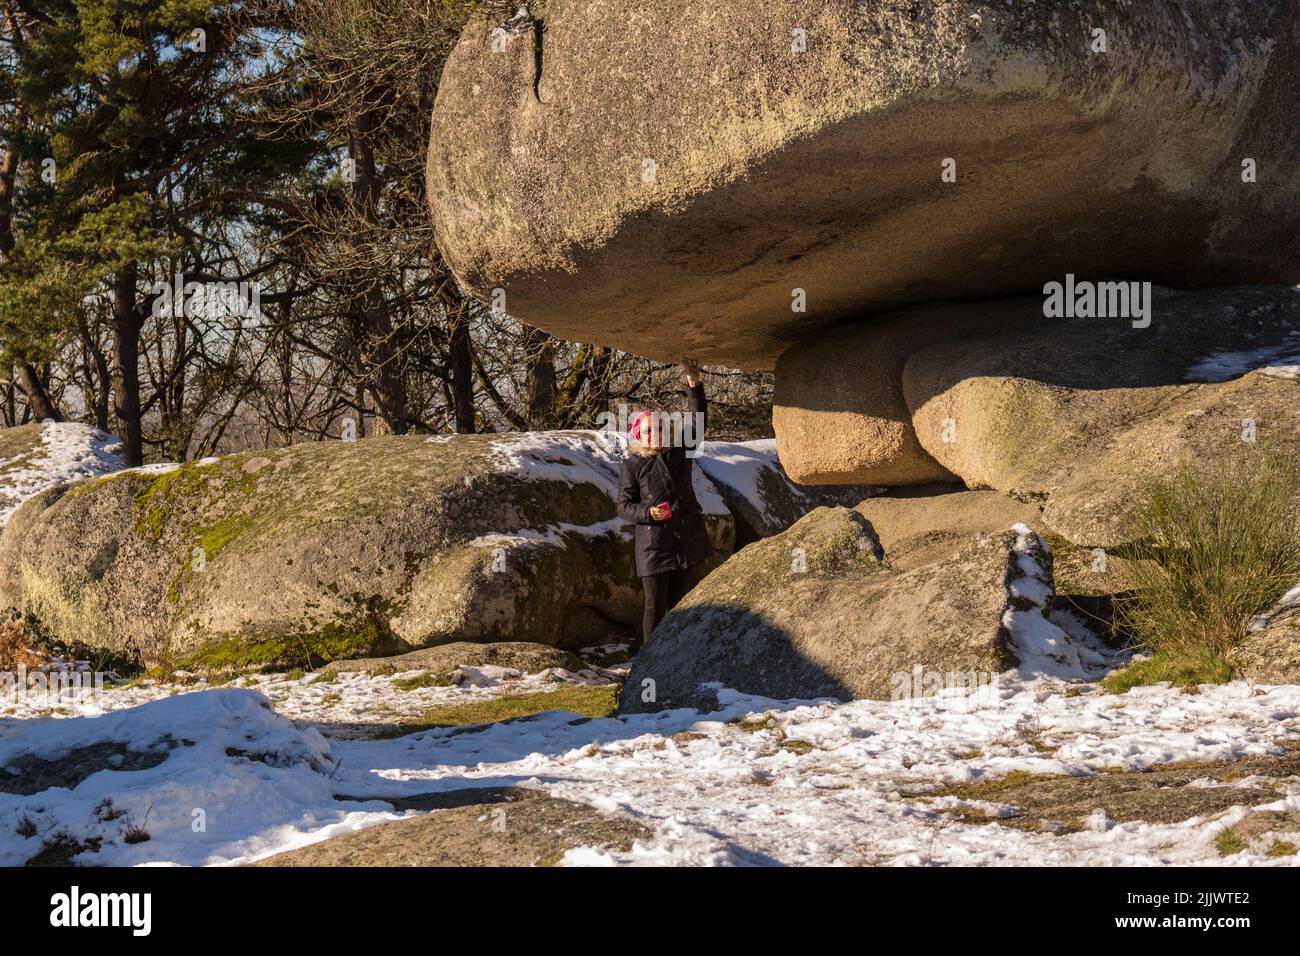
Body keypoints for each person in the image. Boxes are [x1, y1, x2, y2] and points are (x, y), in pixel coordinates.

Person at [616, 360, 713, 653]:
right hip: (654, 546)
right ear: (638, 436)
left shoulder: (680, 452)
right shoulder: (633, 465)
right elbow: (623, 505)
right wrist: (648, 513)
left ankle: (680, 659)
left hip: (686, 540)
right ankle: (651, 660)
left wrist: (694, 384)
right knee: (655, 609)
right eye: (648, 430)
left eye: (659, 427)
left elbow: (698, 421)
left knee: (682, 607)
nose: (654, 433)